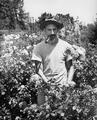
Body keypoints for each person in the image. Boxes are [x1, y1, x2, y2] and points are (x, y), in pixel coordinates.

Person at [30, 17, 85, 106]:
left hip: (62, 85)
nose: (52, 32)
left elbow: (70, 66)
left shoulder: (65, 46)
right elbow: (37, 69)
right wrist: (46, 82)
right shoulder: (38, 47)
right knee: (44, 112)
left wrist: (68, 82)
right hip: (45, 86)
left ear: (57, 30)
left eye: (54, 29)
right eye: (49, 30)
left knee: (62, 112)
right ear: (44, 31)